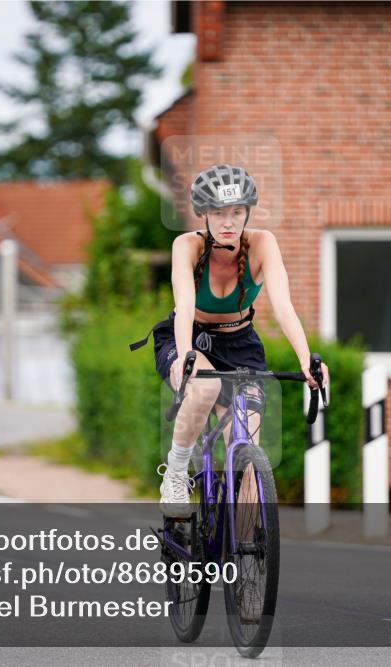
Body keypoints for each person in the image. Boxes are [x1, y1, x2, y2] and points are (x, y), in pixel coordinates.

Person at [129, 164, 329, 517]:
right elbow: (185, 305)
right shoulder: (186, 245)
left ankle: (243, 552)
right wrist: (185, 355)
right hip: (189, 338)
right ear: (204, 214)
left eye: (236, 212)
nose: (228, 222)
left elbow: (283, 307)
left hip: (240, 345)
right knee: (204, 389)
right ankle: (175, 472)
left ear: (247, 213)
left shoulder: (263, 243)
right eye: (219, 213)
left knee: (246, 464)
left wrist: (305, 361)